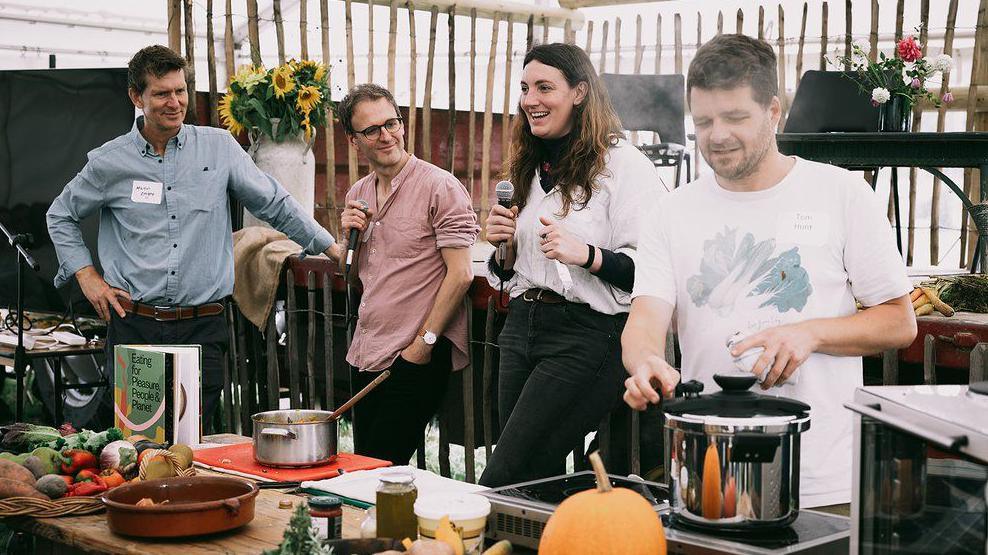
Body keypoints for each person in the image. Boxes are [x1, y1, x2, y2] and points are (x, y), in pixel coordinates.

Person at [622, 34, 917, 513]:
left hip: (825, 481)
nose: (716, 135)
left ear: (774, 111)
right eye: (703, 122)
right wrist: (644, 363)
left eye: (735, 118)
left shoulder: (842, 193)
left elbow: (899, 322)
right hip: (711, 471)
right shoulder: (670, 212)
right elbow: (645, 319)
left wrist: (810, 334)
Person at [46, 45, 341, 432]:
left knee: (193, 442)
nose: (175, 102)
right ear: (137, 97)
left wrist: (330, 247)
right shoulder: (109, 162)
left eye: (180, 90)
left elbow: (274, 202)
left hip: (203, 327)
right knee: (137, 442)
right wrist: (87, 276)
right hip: (136, 325)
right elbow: (60, 215)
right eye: (162, 93)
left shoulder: (218, 149)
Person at [478, 43, 660, 488]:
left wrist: (589, 255)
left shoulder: (623, 165)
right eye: (524, 88)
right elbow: (508, 273)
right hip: (522, 326)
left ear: (580, 92)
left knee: (508, 474)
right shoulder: (529, 165)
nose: (530, 100)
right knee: (528, 478)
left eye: (544, 87)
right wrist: (502, 246)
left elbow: (656, 270)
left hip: (588, 335)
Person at [337, 84, 478, 465]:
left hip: (414, 354)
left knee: (378, 467)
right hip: (367, 352)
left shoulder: (440, 186)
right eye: (371, 130)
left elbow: (462, 274)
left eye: (391, 123)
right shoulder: (360, 192)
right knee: (368, 466)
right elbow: (352, 277)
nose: (386, 135)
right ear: (353, 141)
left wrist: (424, 344)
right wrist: (350, 238)